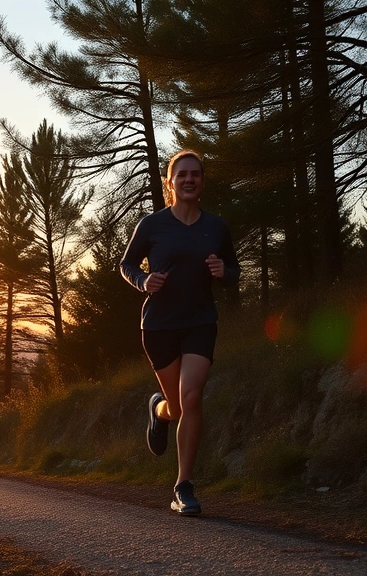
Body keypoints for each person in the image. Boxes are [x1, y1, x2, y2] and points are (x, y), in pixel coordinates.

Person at [118, 150, 240, 516]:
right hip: (158, 326)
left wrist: (223, 271)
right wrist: (143, 280)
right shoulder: (152, 225)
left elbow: (234, 271)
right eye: (182, 175)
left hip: (200, 321)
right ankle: (158, 408)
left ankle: (183, 485)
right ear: (169, 183)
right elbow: (125, 264)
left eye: (196, 174)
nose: (189, 179)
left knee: (192, 397)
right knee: (176, 404)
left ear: (202, 181)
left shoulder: (216, 226)